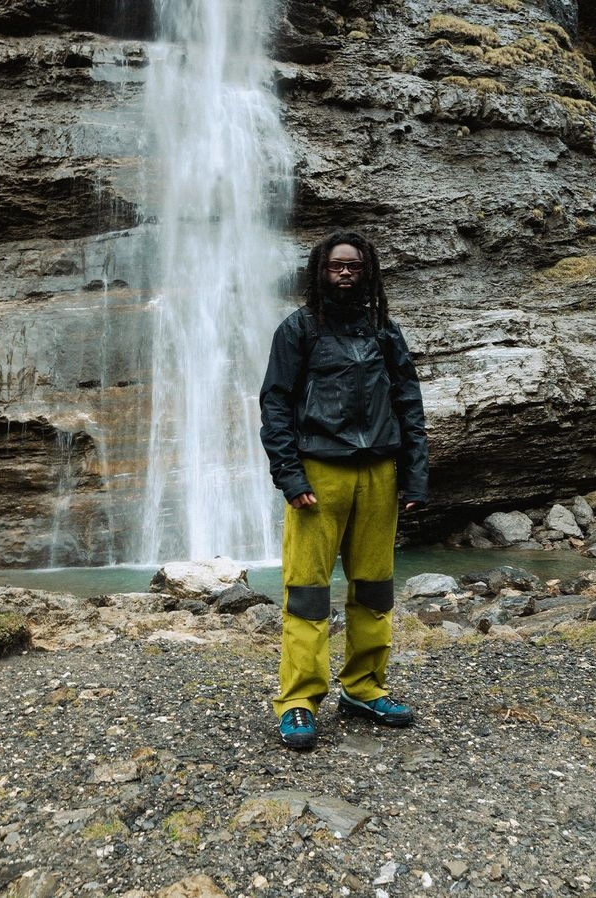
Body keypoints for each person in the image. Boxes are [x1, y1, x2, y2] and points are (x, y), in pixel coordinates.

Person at [259, 229, 429, 749]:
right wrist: (289, 476)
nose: (346, 272)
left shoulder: (384, 331)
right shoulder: (298, 330)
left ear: (368, 270)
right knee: (308, 592)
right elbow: (276, 404)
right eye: (337, 265)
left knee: (374, 587)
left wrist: (415, 474)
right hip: (319, 473)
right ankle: (298, 702)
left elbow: (409, 404)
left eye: (354, 264)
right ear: (320, 271)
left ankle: (364, 688)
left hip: (379, 472)